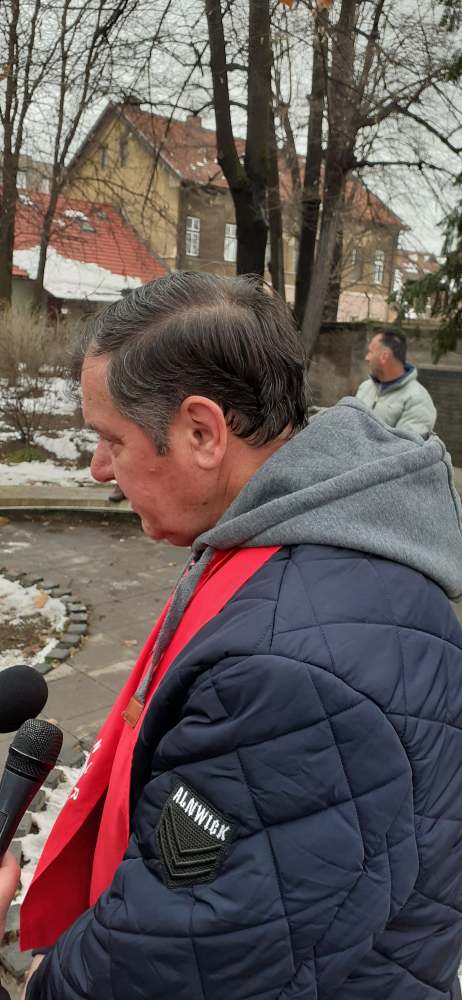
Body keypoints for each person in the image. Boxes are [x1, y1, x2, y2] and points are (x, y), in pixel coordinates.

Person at [3, 272, 462, 999]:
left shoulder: (291, 670)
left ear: (202, 432)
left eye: (112, 438)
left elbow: (178, 958)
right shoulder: (298, 544)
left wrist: (49, 984)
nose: (98, 468)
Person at [356, 327, 437, 435]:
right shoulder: (365, 387)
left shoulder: (417, 399)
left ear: (384, 356)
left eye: (370, 352)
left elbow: (406, 444)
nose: (367, 358)